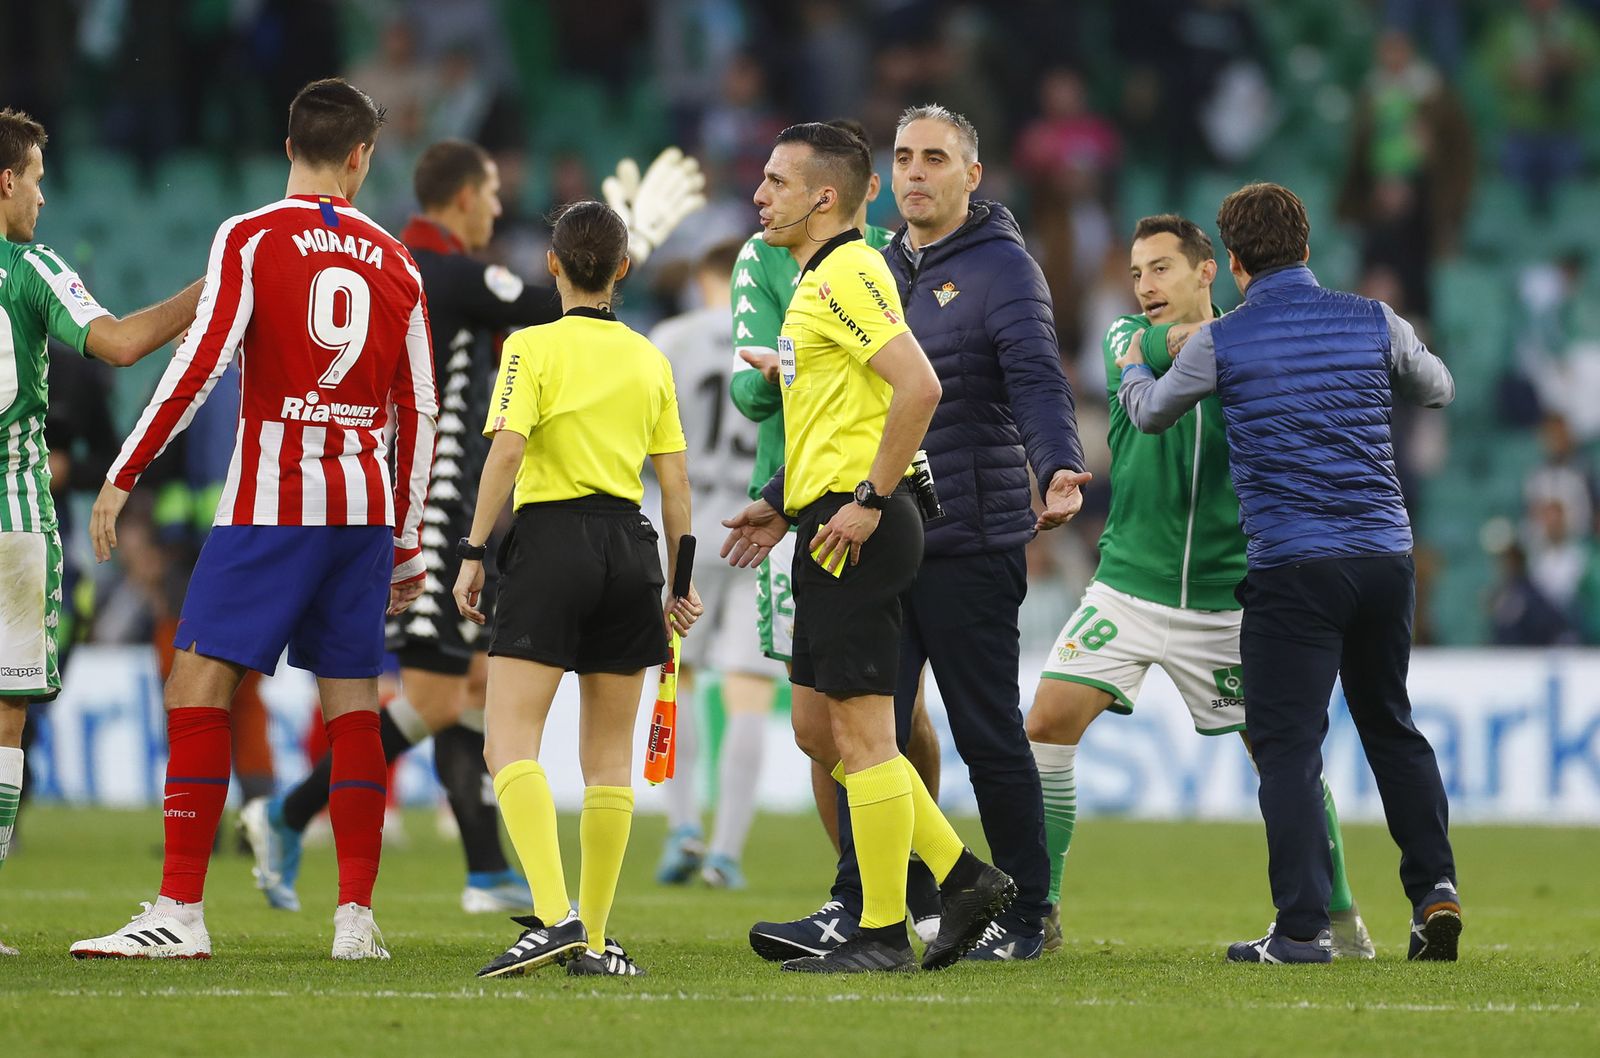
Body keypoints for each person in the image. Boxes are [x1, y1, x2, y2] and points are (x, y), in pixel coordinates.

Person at [242, 138, 708, 914]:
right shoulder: (452, 273)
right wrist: (625, 245)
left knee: (472, 684)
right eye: (491, 193)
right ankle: (290, 812)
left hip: (470, 507)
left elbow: (568, 303)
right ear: (462, 198)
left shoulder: (402, 266)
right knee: (438, 694)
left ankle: (488, 868)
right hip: (442, 506)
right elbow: (565, 308)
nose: (498, 207)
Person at [71, 78, 437, 962]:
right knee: (353, 704)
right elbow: (418, 409)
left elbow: (199, 366)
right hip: (362, 510)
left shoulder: (251, 235)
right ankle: (355, 921)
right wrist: (408, 540)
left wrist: (124, 472)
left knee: (195, 685)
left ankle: (179, 912)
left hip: (273, 502)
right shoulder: (397, 262)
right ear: (360, 158)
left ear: (288, 148)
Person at [1116, 182, 1460, 963]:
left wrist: (1133, 365)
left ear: (1233, 264)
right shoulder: (1373, 318)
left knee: (1288, 748)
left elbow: (1150, 414)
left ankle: (1303, 929)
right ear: (1306, 248)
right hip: (1384, 559)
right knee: (1391, 725)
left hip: (1294, 570)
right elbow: (1437, 388)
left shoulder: (1222, 340)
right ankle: (1435, 889)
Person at [1026, 213, 1374, 959]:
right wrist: (1246, 335)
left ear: (1207, 271)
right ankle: (1040, 909)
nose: (1144, 285)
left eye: (1161, 268)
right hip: (1128, 584)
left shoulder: (1254, 348)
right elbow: (1156, 349)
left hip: (1228, 598)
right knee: (1048, 722)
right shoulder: (1124, 338)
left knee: (1282, 759)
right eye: (1137, 272)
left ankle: (1340, 917)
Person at [722, 122, 1013, 973]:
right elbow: (840, 416)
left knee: (862, 735)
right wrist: (781, 503)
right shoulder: (822, 278)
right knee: (820, 729)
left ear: (824, 197)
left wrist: (868, 499)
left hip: (858, 528)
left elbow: (919, 386)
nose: (759, 196)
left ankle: (882, 931)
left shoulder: (846, 271)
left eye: (776, 182)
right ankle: (962, 875)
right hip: (821, 520)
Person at [455, 200, 702, 980]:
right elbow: (676, 489)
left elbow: (506, 453)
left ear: (552, 265)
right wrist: (680, 585)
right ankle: (593, 939)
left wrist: (472, 549)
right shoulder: (649, 358)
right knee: (607, 762)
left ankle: (554, 915)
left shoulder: (530, 346)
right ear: (622, 269)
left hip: (552, 543)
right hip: (632, 549)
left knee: (508, 742)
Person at [874, 105, 1092, 961]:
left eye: (935, 158)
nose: (915, 172)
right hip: (885, 535)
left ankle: (1029, 913)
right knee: (874, 733)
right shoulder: (876, 268)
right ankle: (888, 906)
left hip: (970, 536)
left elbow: (1038, 379)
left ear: (972, 175)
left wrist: (1059, 464)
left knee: (985, 733)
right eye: (903, 157)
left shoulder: (1004, 268)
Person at [0, 108, 203, 956]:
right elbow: (119, 345)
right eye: (36, 179)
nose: (43, 198)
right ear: (6, 182)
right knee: (6, 715)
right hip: (13, 517)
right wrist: (211, 291)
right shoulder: (31, 268)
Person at [649, 238, 783, 890]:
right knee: (749, 688)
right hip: (760, 525)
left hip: (684, 527)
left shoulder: (672, 338)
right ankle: (727, 852)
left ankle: (683, 828)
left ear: (704, 279)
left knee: (678, 676)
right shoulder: (779, 343)